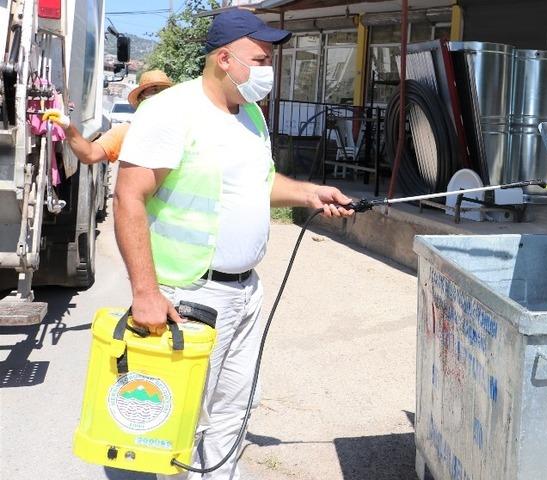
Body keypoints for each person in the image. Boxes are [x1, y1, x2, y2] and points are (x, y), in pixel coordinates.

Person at [113, 9, 353, 479]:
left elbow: (259, 183)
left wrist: (308, 193)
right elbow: (128, 198)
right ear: (224, 58)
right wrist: (145, 291)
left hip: (246, 292)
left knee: (234, 407)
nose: (268, 70)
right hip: (192, 294)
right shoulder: (170, 112)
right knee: (184, 413)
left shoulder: (251, 116)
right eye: (259, 60)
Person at [42, 69, 173, 164]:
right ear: (141, 101)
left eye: (163, 93)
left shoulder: (185, 130)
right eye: (154, 92)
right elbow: (90, 154)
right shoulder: (127, 132)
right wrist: (68, 126)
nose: (159, 99)